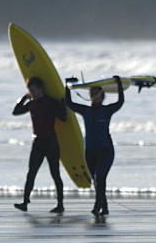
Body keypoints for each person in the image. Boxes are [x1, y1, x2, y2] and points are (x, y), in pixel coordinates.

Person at [64, 76, 124, 216]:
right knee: (97, 181)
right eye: (91, 94)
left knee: (99, 178)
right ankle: (105, 208)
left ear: (102, 97)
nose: (94, 97)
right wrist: (67, 86)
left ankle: (97, 207)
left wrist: (119, 85)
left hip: (105, 150)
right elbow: (69, 103)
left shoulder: (107, 110)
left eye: (96, 94)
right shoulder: (85, 111)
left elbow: (120, 102)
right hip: (89, 151)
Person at [12, 76, 67, 214]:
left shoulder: (50, 102)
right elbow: (16, 112)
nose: (33, 94)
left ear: (41, 89)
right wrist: (25, 98)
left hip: (50, 141)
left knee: (55, 173)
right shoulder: (32, 104)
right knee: (31, 173)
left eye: (34, 91)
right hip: (38, 142)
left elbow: (63, 118)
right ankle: (25, 202)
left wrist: (63, 104)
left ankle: (60, 204)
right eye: (30, 91)